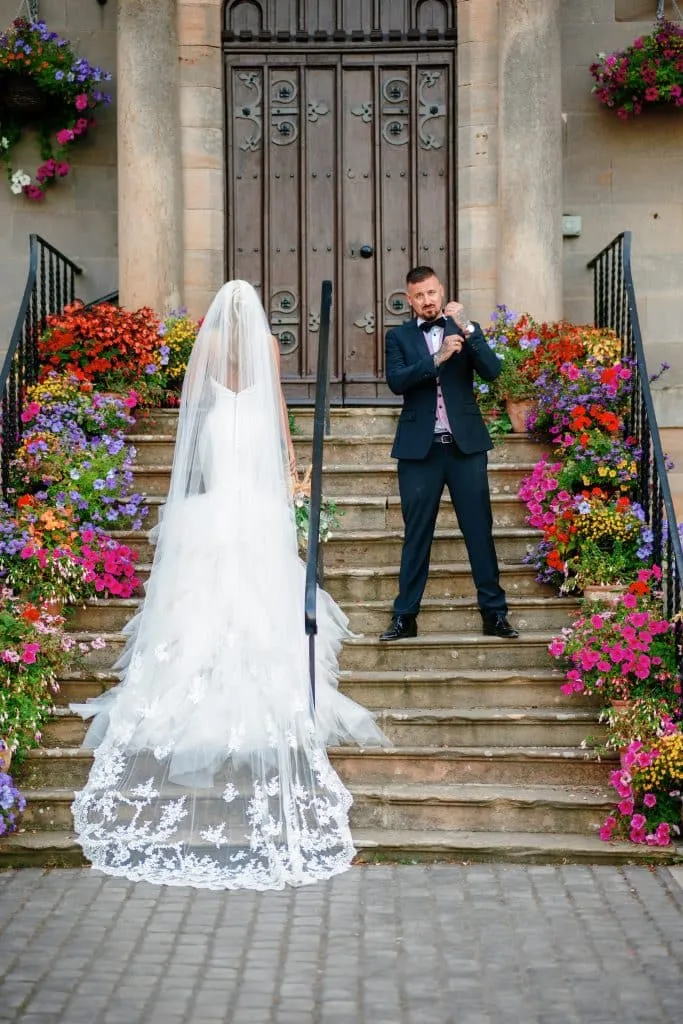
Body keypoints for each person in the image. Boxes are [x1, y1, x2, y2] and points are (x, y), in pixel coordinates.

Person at [71, 280, 387, 891]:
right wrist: (294, 478)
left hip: (223, 500)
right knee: (242, 595)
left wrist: (279, 478)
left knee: (209, 598)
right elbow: (276, 424)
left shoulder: (208, 345)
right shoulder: (264, 345)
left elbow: (194, 423)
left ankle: (206, 687)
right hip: (248, 500)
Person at [379, 266, 518, 642]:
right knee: (417, 535)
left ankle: (495, 614)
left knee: (479, 532)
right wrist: (438, 357)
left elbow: (492, 371)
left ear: (442, 292)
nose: (427, 300)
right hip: (418, 452)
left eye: (432, 293)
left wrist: (468, 330)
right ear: (410, 301)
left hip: (465, 448)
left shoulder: (465, 330)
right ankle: (405, 617)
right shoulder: (399, 337)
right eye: (419, 295)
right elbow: (397, 381)